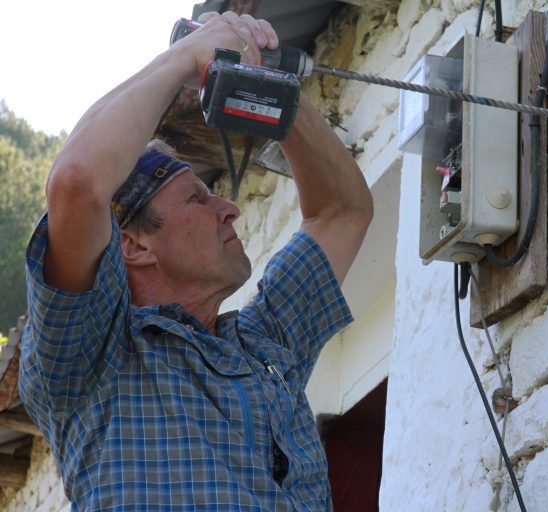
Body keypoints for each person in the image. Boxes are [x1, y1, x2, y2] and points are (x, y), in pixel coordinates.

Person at [19, 12, 373, 511]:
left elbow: (342, 211)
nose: (228, 209)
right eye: (195, 199)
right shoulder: (92, 357)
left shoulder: (261, 345)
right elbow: (77, 182)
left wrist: (271, 85)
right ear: (134, 246)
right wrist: (189, 56)